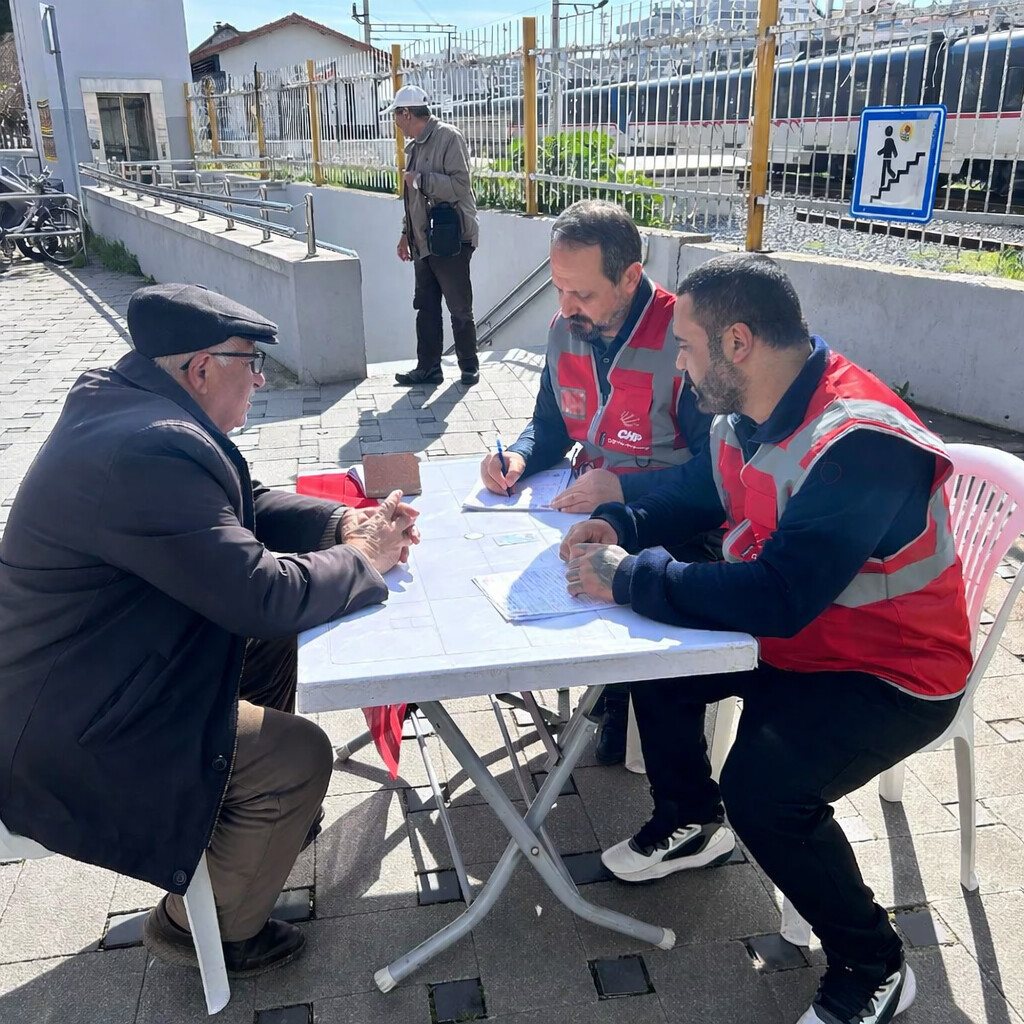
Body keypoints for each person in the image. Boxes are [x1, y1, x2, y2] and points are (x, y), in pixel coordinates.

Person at [560, 253, 971, 1024]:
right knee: (654, 663)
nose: (677, 367)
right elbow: (697, 492)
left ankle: (874, 963)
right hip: (802, 641)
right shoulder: (748, 406)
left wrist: (629, 576)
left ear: (738, 342)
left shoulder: (859, 442)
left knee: (765, 792)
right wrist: (621, 522)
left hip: (892, 672)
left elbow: (779, 596)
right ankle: (689, 819)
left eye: (684, 347)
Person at [0, 283, 420, 978]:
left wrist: (338, 523)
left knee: (266, 646)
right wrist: (364, 557)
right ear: (200, 368)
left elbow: (234, 502)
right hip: (72, 732)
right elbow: (262, 594)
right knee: (299, 755)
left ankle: (255, 827)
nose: (260, 379)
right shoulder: (149, 449)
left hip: (91, 673)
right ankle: (204, 929)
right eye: (249, 363)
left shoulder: (133, 408)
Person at [478, 198, 716, 765]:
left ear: (631, 277)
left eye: (581, 293)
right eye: (558, 289)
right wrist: (518, 456)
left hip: (676, 524)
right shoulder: (566, 328)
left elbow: (716, 477)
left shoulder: (684, 343)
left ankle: (620, 705)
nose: (566, 307)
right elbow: (551, 423)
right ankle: (605, 701)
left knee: (605, 591)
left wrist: (624, 491)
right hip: (588, 508)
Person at [388, 84, 481, 388]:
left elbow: (460, 186)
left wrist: (421, 180)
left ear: (407, 113)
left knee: (458, 306)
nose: (396, 123)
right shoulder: (415, 146)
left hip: (450, 238)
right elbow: (413, 200)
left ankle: (469, 366)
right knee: (425, 306)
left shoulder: (448, 137)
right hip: (423, 241)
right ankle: (429, 368)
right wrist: (405, 234)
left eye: (397, 116)